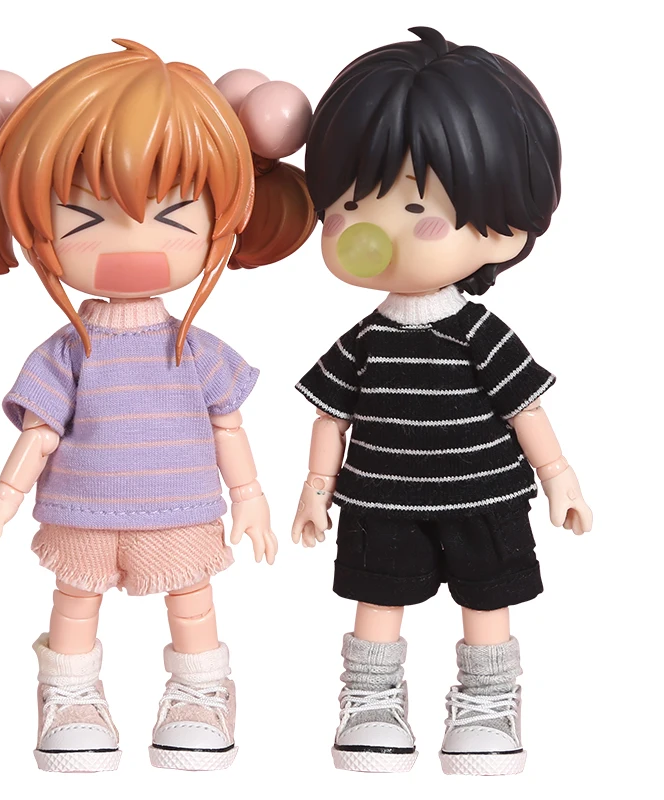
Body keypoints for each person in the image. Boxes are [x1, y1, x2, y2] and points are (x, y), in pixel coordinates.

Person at [0, 40, 314, 772]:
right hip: (82, 510)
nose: (133, 243)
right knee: (75, 601)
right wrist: (2, 496)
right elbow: (41, 431)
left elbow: (228, 424)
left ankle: (201, 695)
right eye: (83, 218)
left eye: (175, 215)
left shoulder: (198, 349)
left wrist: (251, 498)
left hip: (180, 509)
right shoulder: (67, 352)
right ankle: (70, 697)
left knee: (192, 600)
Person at [291, 26, 592, 776]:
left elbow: (525, 409)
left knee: (487, 601)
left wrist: (559, 478)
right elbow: (331, 415)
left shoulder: (480, 334)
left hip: (482, 495)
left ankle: (488, 706)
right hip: (380, 499)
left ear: (506, 228)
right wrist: (316, 488)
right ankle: (371, 701)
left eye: (414, 203)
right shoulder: (364, 340)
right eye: (351, 202)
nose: (372, 231)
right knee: (375, 600)